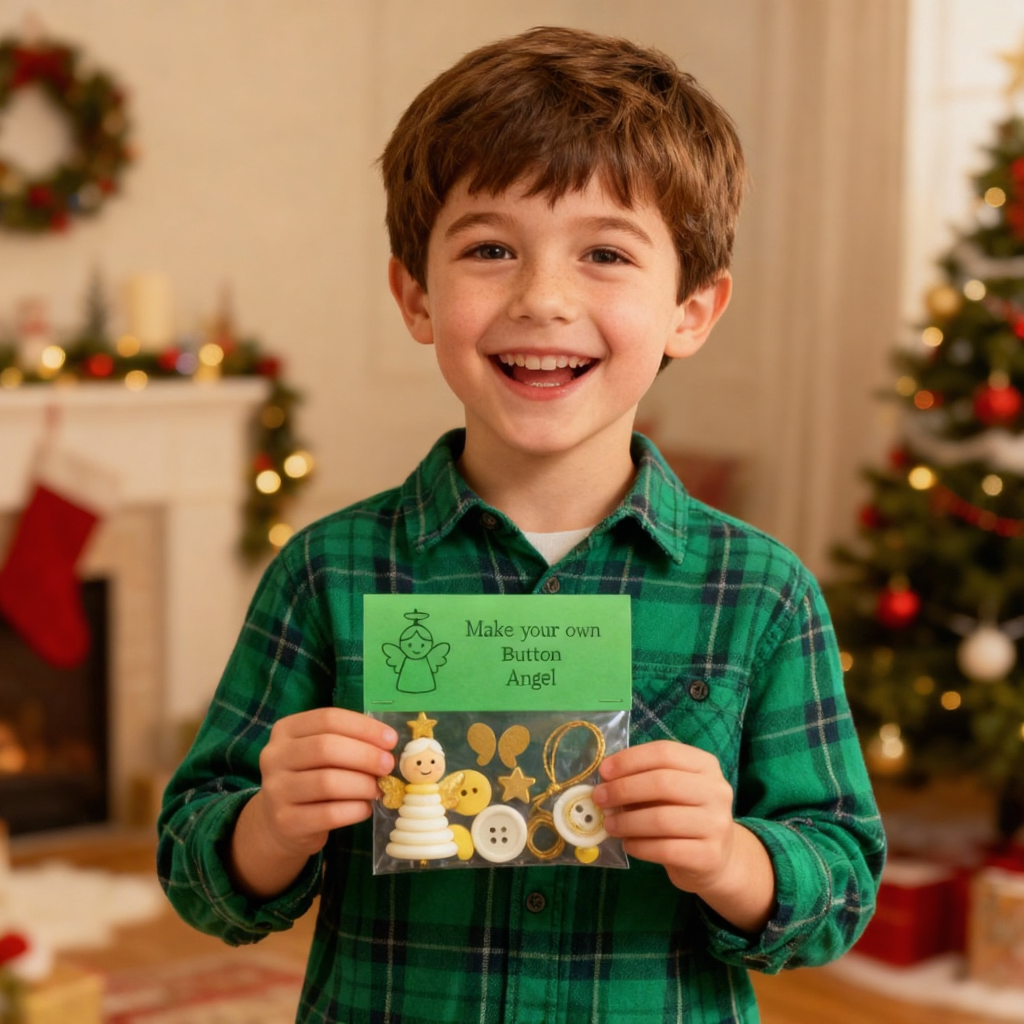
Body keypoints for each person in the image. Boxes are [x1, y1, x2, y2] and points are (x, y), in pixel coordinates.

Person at [158, 25, 885, 1023]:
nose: (543, 299)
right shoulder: (326, 572)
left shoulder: (762, 593)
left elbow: (840, 886)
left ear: (692, 310)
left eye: (605, 253)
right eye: (491, 249)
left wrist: (730, 857)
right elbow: (195, 870)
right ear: (416, 295)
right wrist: (269, 827)